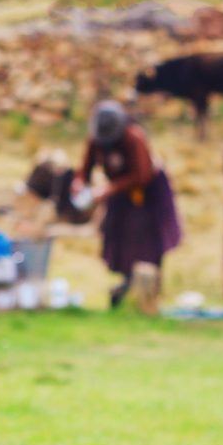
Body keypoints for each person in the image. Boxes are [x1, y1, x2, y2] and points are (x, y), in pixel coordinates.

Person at [72, 100, 182, 307]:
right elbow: (84, 170)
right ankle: (126, 284)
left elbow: (142, 175)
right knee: (118, 236)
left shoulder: (133, 137)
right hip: (120, 193)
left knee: (145, 240)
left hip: (147, 192)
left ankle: (149, 291)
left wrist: (108, 189)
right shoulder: (96, 139)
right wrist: (79, 185)